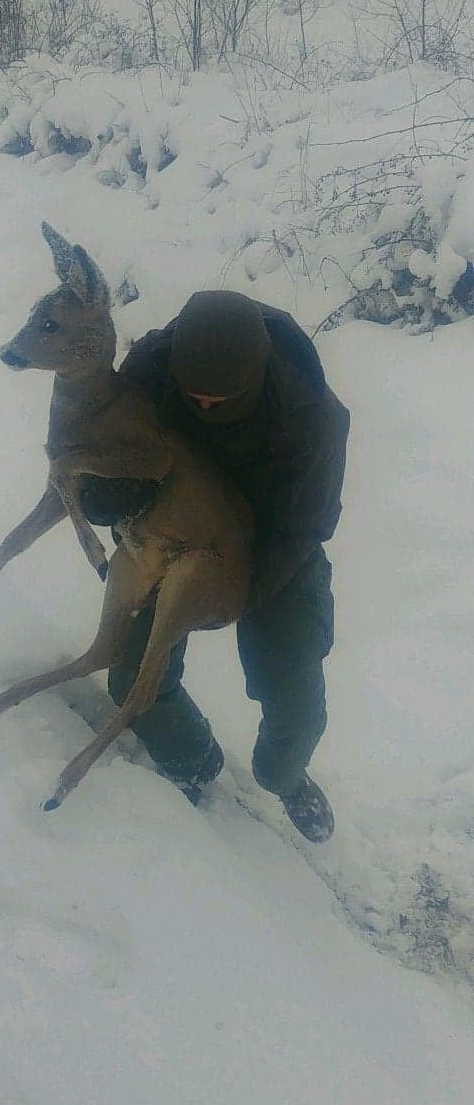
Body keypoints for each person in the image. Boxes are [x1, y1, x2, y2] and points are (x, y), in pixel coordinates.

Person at [81, 290, 350, 843]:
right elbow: (105, 451)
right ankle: (193, 763)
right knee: (132, 679)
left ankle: (284, 774)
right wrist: (107, 497)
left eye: (219, 400)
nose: (204, 408)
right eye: (193, 398)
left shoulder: (313, 415)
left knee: (295, 692)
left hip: (273, 552)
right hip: (173, 536)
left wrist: (232, 594)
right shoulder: (151, 372)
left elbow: (304, 527)